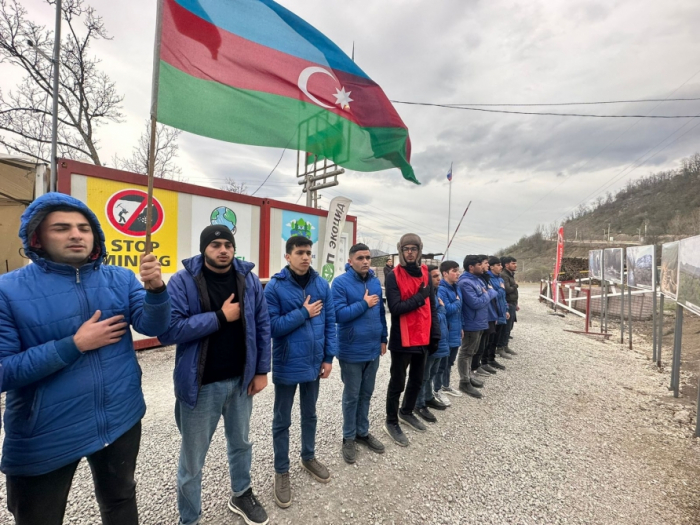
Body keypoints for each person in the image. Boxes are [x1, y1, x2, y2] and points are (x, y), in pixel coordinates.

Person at [0, 193, 171, 525]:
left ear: (95, 235)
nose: (76, 234)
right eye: (61, 228)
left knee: (120, 500)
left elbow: (155, 326)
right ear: (38, 236)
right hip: (45, 433)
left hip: (120, 417)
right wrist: (73, 345)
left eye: (83, 228)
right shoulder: (8, 291)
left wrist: (155, 289)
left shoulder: (120, 279)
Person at [158, 225, 271, 525]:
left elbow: (262, 325)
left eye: (227, 245)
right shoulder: (183, 282)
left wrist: (261, 370)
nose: (223, 250)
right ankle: (190, 518)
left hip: (240, 382)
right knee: (192, 460)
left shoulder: (248, 279)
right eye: (215, 245)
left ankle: (241, 493)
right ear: (203, 249)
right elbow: (169, 331)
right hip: (201, 386)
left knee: (241, 443)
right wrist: (220, 317)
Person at [264, 235, 337, 509]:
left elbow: (330, 322)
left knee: (311, 414)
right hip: (286, 363)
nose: (306, 257)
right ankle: (281, 470)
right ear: (288, 256)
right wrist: (303, 313)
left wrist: (328, 357)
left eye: (309, 252)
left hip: (314, 363)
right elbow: (271, 327)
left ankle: (308, 457)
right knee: (281, 421)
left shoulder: (321, 284)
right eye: (300, 252)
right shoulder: (274, 287)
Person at [332, 243, 388, 464]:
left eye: (368, 258)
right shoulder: (340, 283)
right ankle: (348, 437)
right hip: (351, 350)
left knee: (366, 394)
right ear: (350, 261)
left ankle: (362, 432)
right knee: (352, 395)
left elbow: (381, 313)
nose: (365, 261)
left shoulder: (375, 282)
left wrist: (383, 338)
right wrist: (363, 304)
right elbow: (337, 314)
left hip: (373, 348)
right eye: (360, 258)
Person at [384, 234, 440, 447]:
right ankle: (390, 420)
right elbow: (396, 309)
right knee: (397, 381)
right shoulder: (393, 276)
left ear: (419, 251)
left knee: (417, 379)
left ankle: (406, 411)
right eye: (406, 248)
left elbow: (432, 305)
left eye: (413, 248)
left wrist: (436, 333)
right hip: (403, 337)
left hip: (423, 335)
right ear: (400, 250)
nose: (409, 252)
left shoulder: (426, 272)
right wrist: (420, 297)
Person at [457, 255, 498, 398]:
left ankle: (469, 375)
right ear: (471, 267)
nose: (483, 267)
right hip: (471, 323)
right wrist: (490, 293)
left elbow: (484, 297)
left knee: (472, 351)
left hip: (480, 321)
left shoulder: (478, 280)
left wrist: (488, 294)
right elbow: (476, 303)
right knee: (466, 352)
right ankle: (464, 381)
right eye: (480, 265)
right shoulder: (465, 282)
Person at [415, 266, 450, 423]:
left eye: (438, 276)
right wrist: (442, 309)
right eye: (435, 276)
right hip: (429, 341)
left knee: (433, 372)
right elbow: (432, 318)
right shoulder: (426, 296)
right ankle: (419, 403)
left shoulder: (435, 294)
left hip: (439, 340)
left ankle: (428, 397)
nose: (438, 279)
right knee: (424, 374)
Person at [435, 260, 464, 400]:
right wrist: (457, 302)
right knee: (442, 363)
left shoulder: (456, 287)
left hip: (456, 330)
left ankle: (446, 385)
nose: (457, 273)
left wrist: (462, 327)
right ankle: (436, 389)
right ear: (445, 273)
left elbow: (460, 311)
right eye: (454, 271)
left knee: (450, 362)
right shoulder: (441, 289)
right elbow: (446, 310)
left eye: (458, 270)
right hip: (446, 331)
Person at [485, 256, 511, 365]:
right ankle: (485, 360)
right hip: (492, 313)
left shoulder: (500, 279)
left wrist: (506, 309)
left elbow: (503, 297)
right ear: (491, 267)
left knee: (496, 338)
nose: (500, 267)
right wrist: (500, 289)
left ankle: (492, 359)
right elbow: (494, 295)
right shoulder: (488, 279)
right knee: (490, 339)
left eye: (501, 265)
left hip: (501, 312)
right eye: (498, 265)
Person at [500, 256, 519, 354]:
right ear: (506, 265)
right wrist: (516, 285)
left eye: (515, 263)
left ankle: (505, 345)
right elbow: (507, 290)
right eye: (513, 263)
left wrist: (516, 303)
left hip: (512, 303)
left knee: (509, 326)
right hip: (508, 303)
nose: (515, 265)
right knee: (506, 327)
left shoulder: (510, 275)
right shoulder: (504, 275)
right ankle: (501, 347)